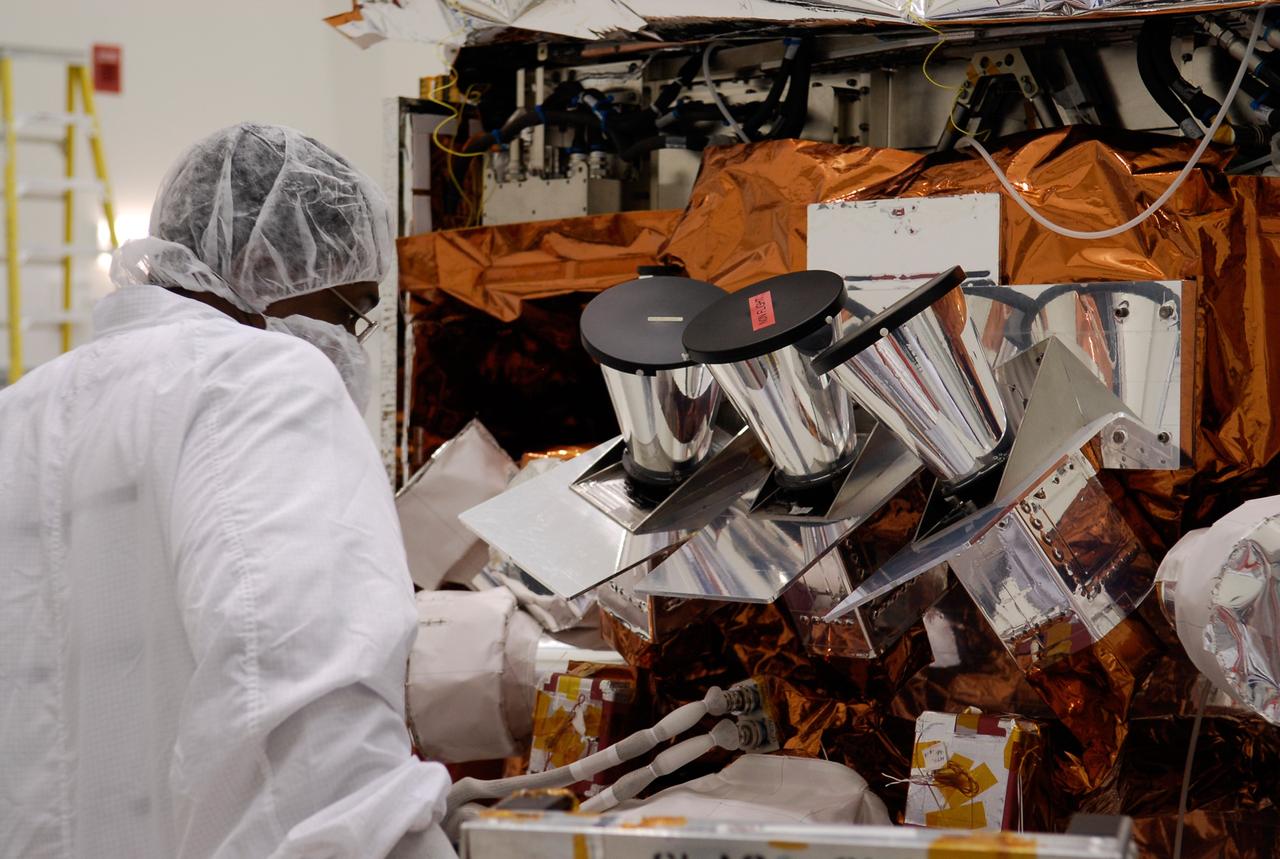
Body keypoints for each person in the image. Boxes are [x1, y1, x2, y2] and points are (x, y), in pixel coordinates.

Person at [0, 123, 453, 858]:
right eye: (350, 311)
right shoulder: (265, 380)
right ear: (269, 260)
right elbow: (311, 723)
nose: (350, 344)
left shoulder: (20, 410)